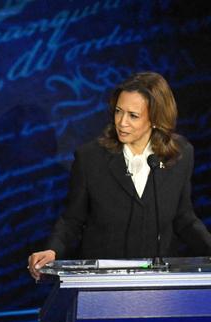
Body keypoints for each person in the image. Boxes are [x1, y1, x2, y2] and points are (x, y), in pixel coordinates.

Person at [28, 71, 211, 279]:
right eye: (118, 111)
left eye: (133, 115)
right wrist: (53, 250)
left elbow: (184, 217)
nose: (122, 122)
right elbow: (72, 219)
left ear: (156, 119)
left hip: (159, 282)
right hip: (101, 281)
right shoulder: (90, 157)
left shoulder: (180, 154)